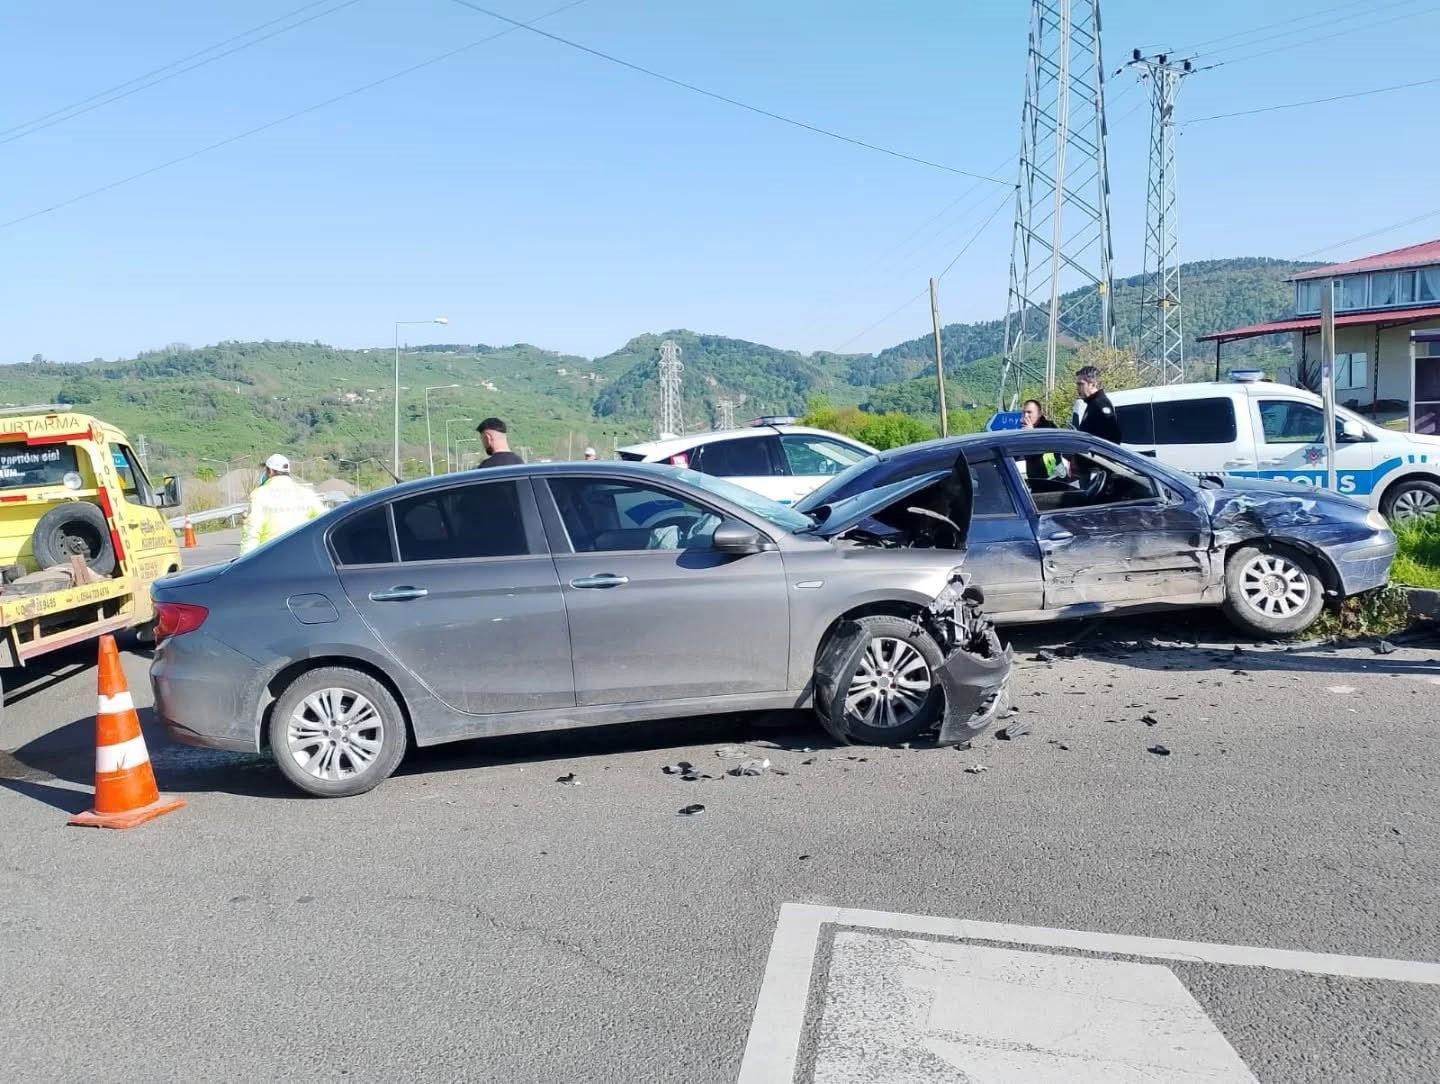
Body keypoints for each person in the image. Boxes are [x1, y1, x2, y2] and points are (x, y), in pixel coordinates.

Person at [239, 453, 327, 555]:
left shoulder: (259, 495)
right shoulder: (307, 493)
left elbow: (252, 533)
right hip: (303, 554)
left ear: (270, 471)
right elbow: (324, 521)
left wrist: (244, 563)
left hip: (270, 557)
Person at [1074, 365, 1122, 444]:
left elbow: (1113, 437)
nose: (1077, 388)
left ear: (1093, 385)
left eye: (1081, 384)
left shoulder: (1100, 404)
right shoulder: (1092, 404)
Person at [1020, 399, 1060, 482]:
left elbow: (1044, 448)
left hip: (1053, 479)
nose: (1026, 415)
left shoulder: (1049, 428)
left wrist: (1032, 434)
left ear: (1039, 414)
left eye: (1029, 412)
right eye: (1024, 412)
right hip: (1035, 480)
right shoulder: (1026, 430)